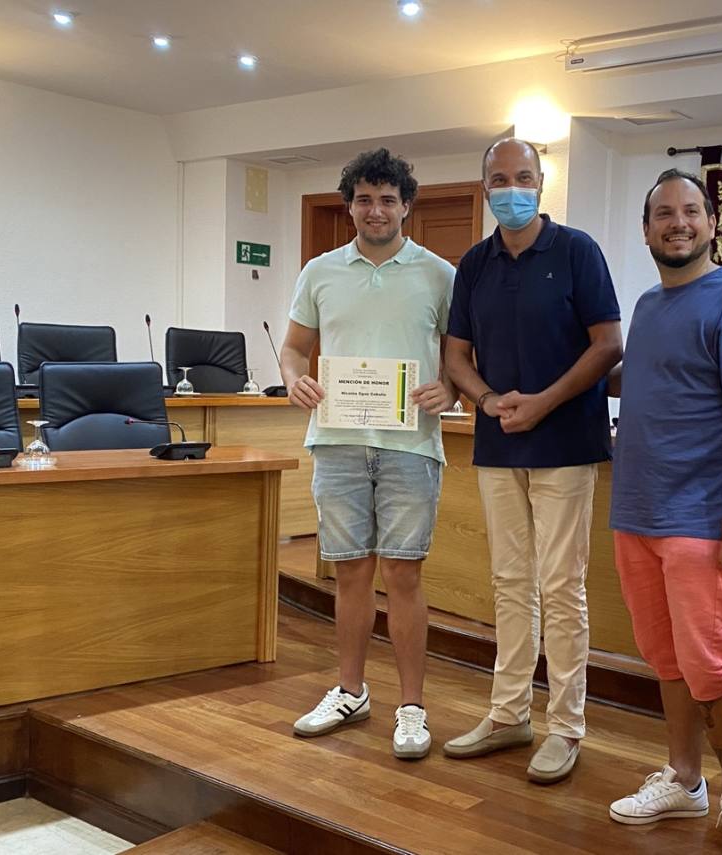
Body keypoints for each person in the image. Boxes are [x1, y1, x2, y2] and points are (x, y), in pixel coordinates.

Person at [606, 169, 722, 854]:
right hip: (637, 513)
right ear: (646, 229)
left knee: (710, 660)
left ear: (712, 223)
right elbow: (647, 382)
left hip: (701, 516)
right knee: (667, 658)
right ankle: (684, 780)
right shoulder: (649, 305)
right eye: (663, 213)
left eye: (690, 211)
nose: (677, 223)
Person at [442, 138, 622, 784]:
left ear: (541, 183)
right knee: (510, 582)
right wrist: (488, 400)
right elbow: (456, 355)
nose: (511, 189)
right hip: (498, 443)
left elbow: (609, 344)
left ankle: (565, 726)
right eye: (499, 179)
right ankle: (509, 712)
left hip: (565, 442)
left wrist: (544, 402)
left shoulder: (577, 252)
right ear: (484, 187)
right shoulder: (475, 263)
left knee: (562, 586)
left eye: (523, 177)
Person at [280, 148, 457, 760]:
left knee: (403, 574)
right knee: (351, 572)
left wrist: (451, 388)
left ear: (406, 206)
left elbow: (460, 357)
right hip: (338, 442)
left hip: (412, 445)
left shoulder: (440, 274)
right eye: (363, 200)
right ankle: (350, 692)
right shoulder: (319, 272)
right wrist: (294, 379)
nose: (375, 210)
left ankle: (412, 707)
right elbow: (294, 348)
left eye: (387, 200)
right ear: (349, 207)